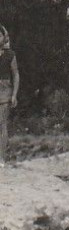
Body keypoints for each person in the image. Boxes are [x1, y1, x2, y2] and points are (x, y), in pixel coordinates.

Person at [0, 24, 19, 165]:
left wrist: (14, 94)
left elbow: (16, 74)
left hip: (5, 90)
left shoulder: (10, 54)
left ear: (4, 37)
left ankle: (1, 158)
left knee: (3, 124)